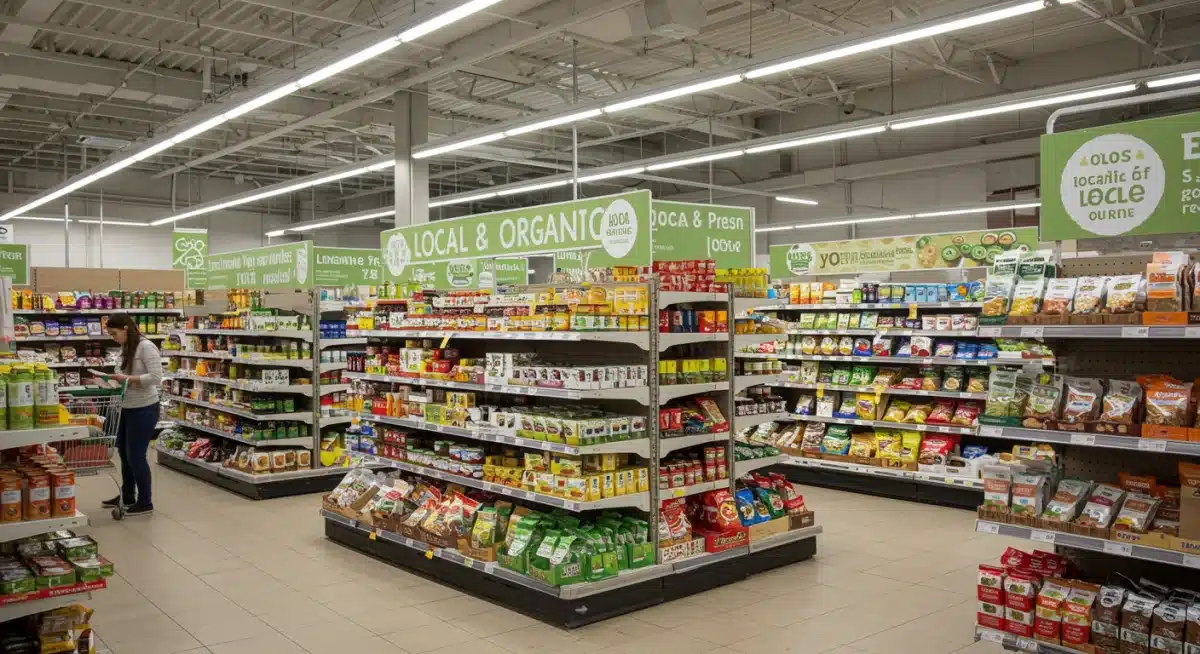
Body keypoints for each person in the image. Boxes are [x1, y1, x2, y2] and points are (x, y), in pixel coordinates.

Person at [100, 315, 162, 516]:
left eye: (114, 333)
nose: (113, 337)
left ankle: (145, 502)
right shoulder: (126, 347)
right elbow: (123, 376)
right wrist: (109, 381)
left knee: (136, 456)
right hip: (126, 407)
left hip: (144, 408)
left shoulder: (146, 347)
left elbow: (156, 378)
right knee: (124, 454)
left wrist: (126, 379)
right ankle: (128, 495)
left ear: (126, 328)